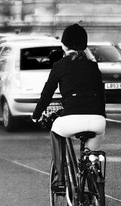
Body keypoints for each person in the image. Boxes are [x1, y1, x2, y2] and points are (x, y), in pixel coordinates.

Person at [31, 23, 106, 188]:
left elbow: (47, 95)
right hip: (97, 120)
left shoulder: (60, 65)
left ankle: (60, 178)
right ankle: (94, 194)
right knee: (91, 155)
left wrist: (36, 115)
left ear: (64, 45)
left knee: (56, 133)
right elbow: (101, 94)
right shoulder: (93, 66)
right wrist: (102, 115)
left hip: (71, 118)